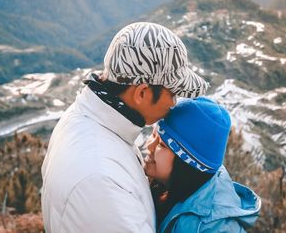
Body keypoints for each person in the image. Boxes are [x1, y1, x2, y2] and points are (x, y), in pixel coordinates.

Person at [41, 22, 209, 232]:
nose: (174, 103)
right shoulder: (102, 181)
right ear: (142, 93)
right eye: (173, 93)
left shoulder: (85, 119)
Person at [144, 97, 261, 232]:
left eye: (161, 145)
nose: (149, 145)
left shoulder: (215, 228)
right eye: (153, 135)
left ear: (186, 164)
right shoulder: (175, 187)